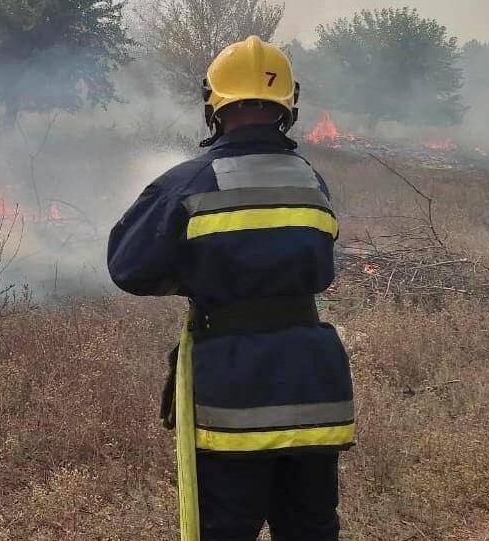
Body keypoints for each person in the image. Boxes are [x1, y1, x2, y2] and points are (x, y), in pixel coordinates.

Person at [107, 36, 355, 541]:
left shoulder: (189, 183)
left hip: (234, 391)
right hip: (313, 384)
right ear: (288, 104)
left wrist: (195, 275)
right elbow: (320, 264)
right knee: (311, 528)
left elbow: (127, 266)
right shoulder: (312, 182)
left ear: (213, 104)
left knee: (224, 529)